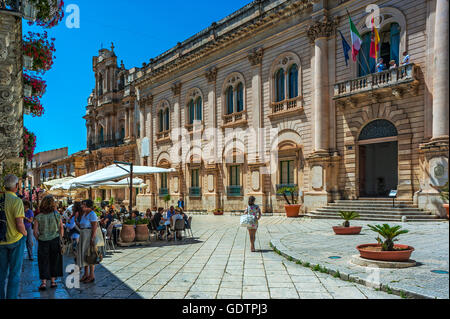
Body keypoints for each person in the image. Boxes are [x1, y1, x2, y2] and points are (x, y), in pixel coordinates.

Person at [0, 175, 27, 299]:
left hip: (1, 241)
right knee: (14, 274)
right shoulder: (16, 201)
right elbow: (19, 224)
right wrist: (25, 234)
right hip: (15, 240)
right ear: (16, 186)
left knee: (1, 275)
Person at [33, 195, 64, 290]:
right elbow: (61, 228)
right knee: (54, 261)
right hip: (54, 240)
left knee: (43, 261)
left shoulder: (38, 217)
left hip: (43, 241)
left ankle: (43, 283)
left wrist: (39, 238)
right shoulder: (57, 215)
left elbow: (35, 232)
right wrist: (60, 238)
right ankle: (53, 282)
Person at [76, 199, 99, 284]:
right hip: (83, 235)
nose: (82, 206)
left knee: (90, 255)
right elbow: (82, 225)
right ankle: (86, 274)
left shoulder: (92, 214)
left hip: (88, 235)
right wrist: (75, 221)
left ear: (88, 206)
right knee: (84, 255)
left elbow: (94, 227)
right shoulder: (84, 214)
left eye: (84, 204)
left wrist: (92, 238)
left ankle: (92, 275)